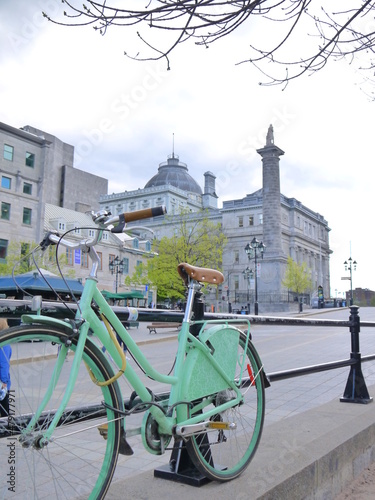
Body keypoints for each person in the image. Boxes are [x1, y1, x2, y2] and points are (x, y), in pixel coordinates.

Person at [0, 318, 11, 418]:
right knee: (6, 415)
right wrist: (4, 382)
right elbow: (4, 364)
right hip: (2, 383)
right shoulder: (4, 344)